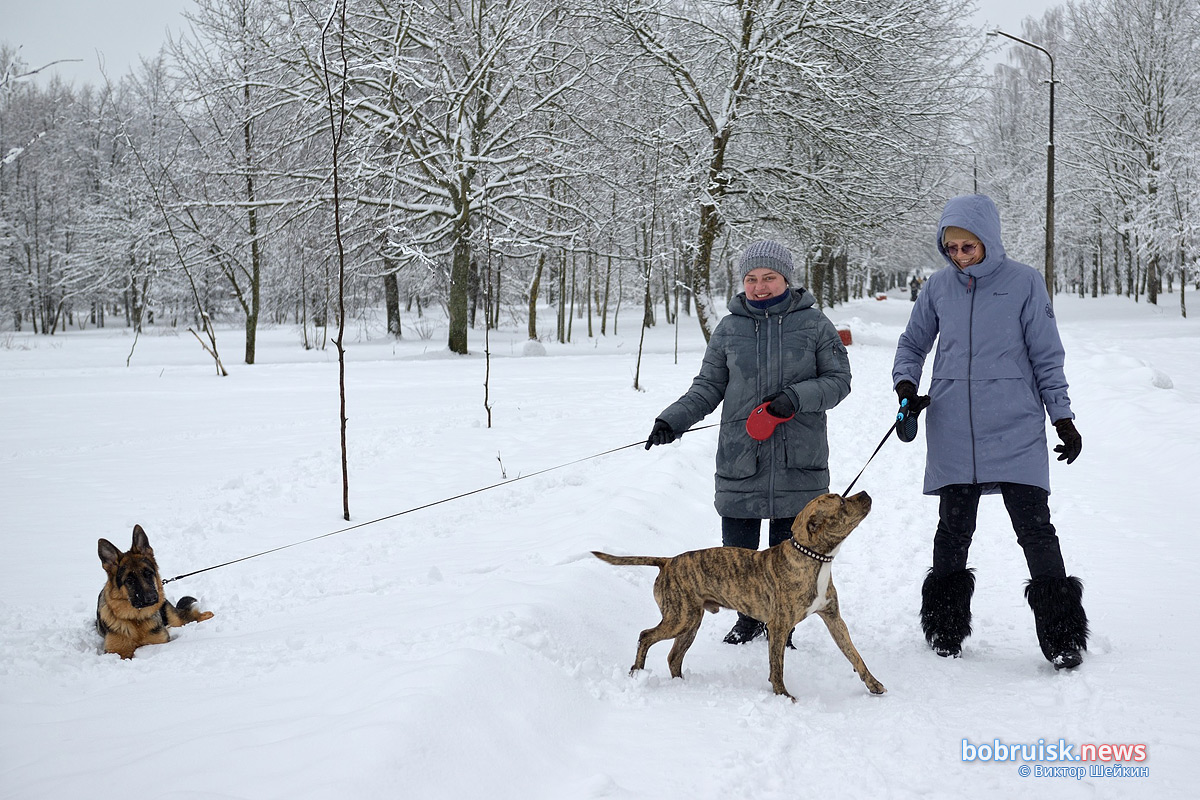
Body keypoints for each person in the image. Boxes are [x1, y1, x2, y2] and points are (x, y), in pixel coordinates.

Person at [892, 194, 1088, 670]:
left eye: (969, 246)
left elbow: (1046, 354)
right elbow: (913, 343)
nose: (960, 255)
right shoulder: (937, 287)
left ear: (989, 241)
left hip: (1014, 423)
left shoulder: (1024, 282)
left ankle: (1061, 636)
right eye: (952, 247)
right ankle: (945, 628)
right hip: (953, 422)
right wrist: (905, 390)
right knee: (953, 530)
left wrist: (1061, 416)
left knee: (1036, 530)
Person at [645, 239, 852, 644]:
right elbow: (707, 386)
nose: (759, 287)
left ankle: (783, 624)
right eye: (752, 278)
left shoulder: (814, 325)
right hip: (743, 458)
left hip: (799, 460)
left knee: (790, 554)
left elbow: (838, 382)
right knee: (737, 555)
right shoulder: (729, 329)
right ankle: (748, 618)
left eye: (769, 278)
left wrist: (796, 397)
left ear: (786, 280)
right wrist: (673, 419)